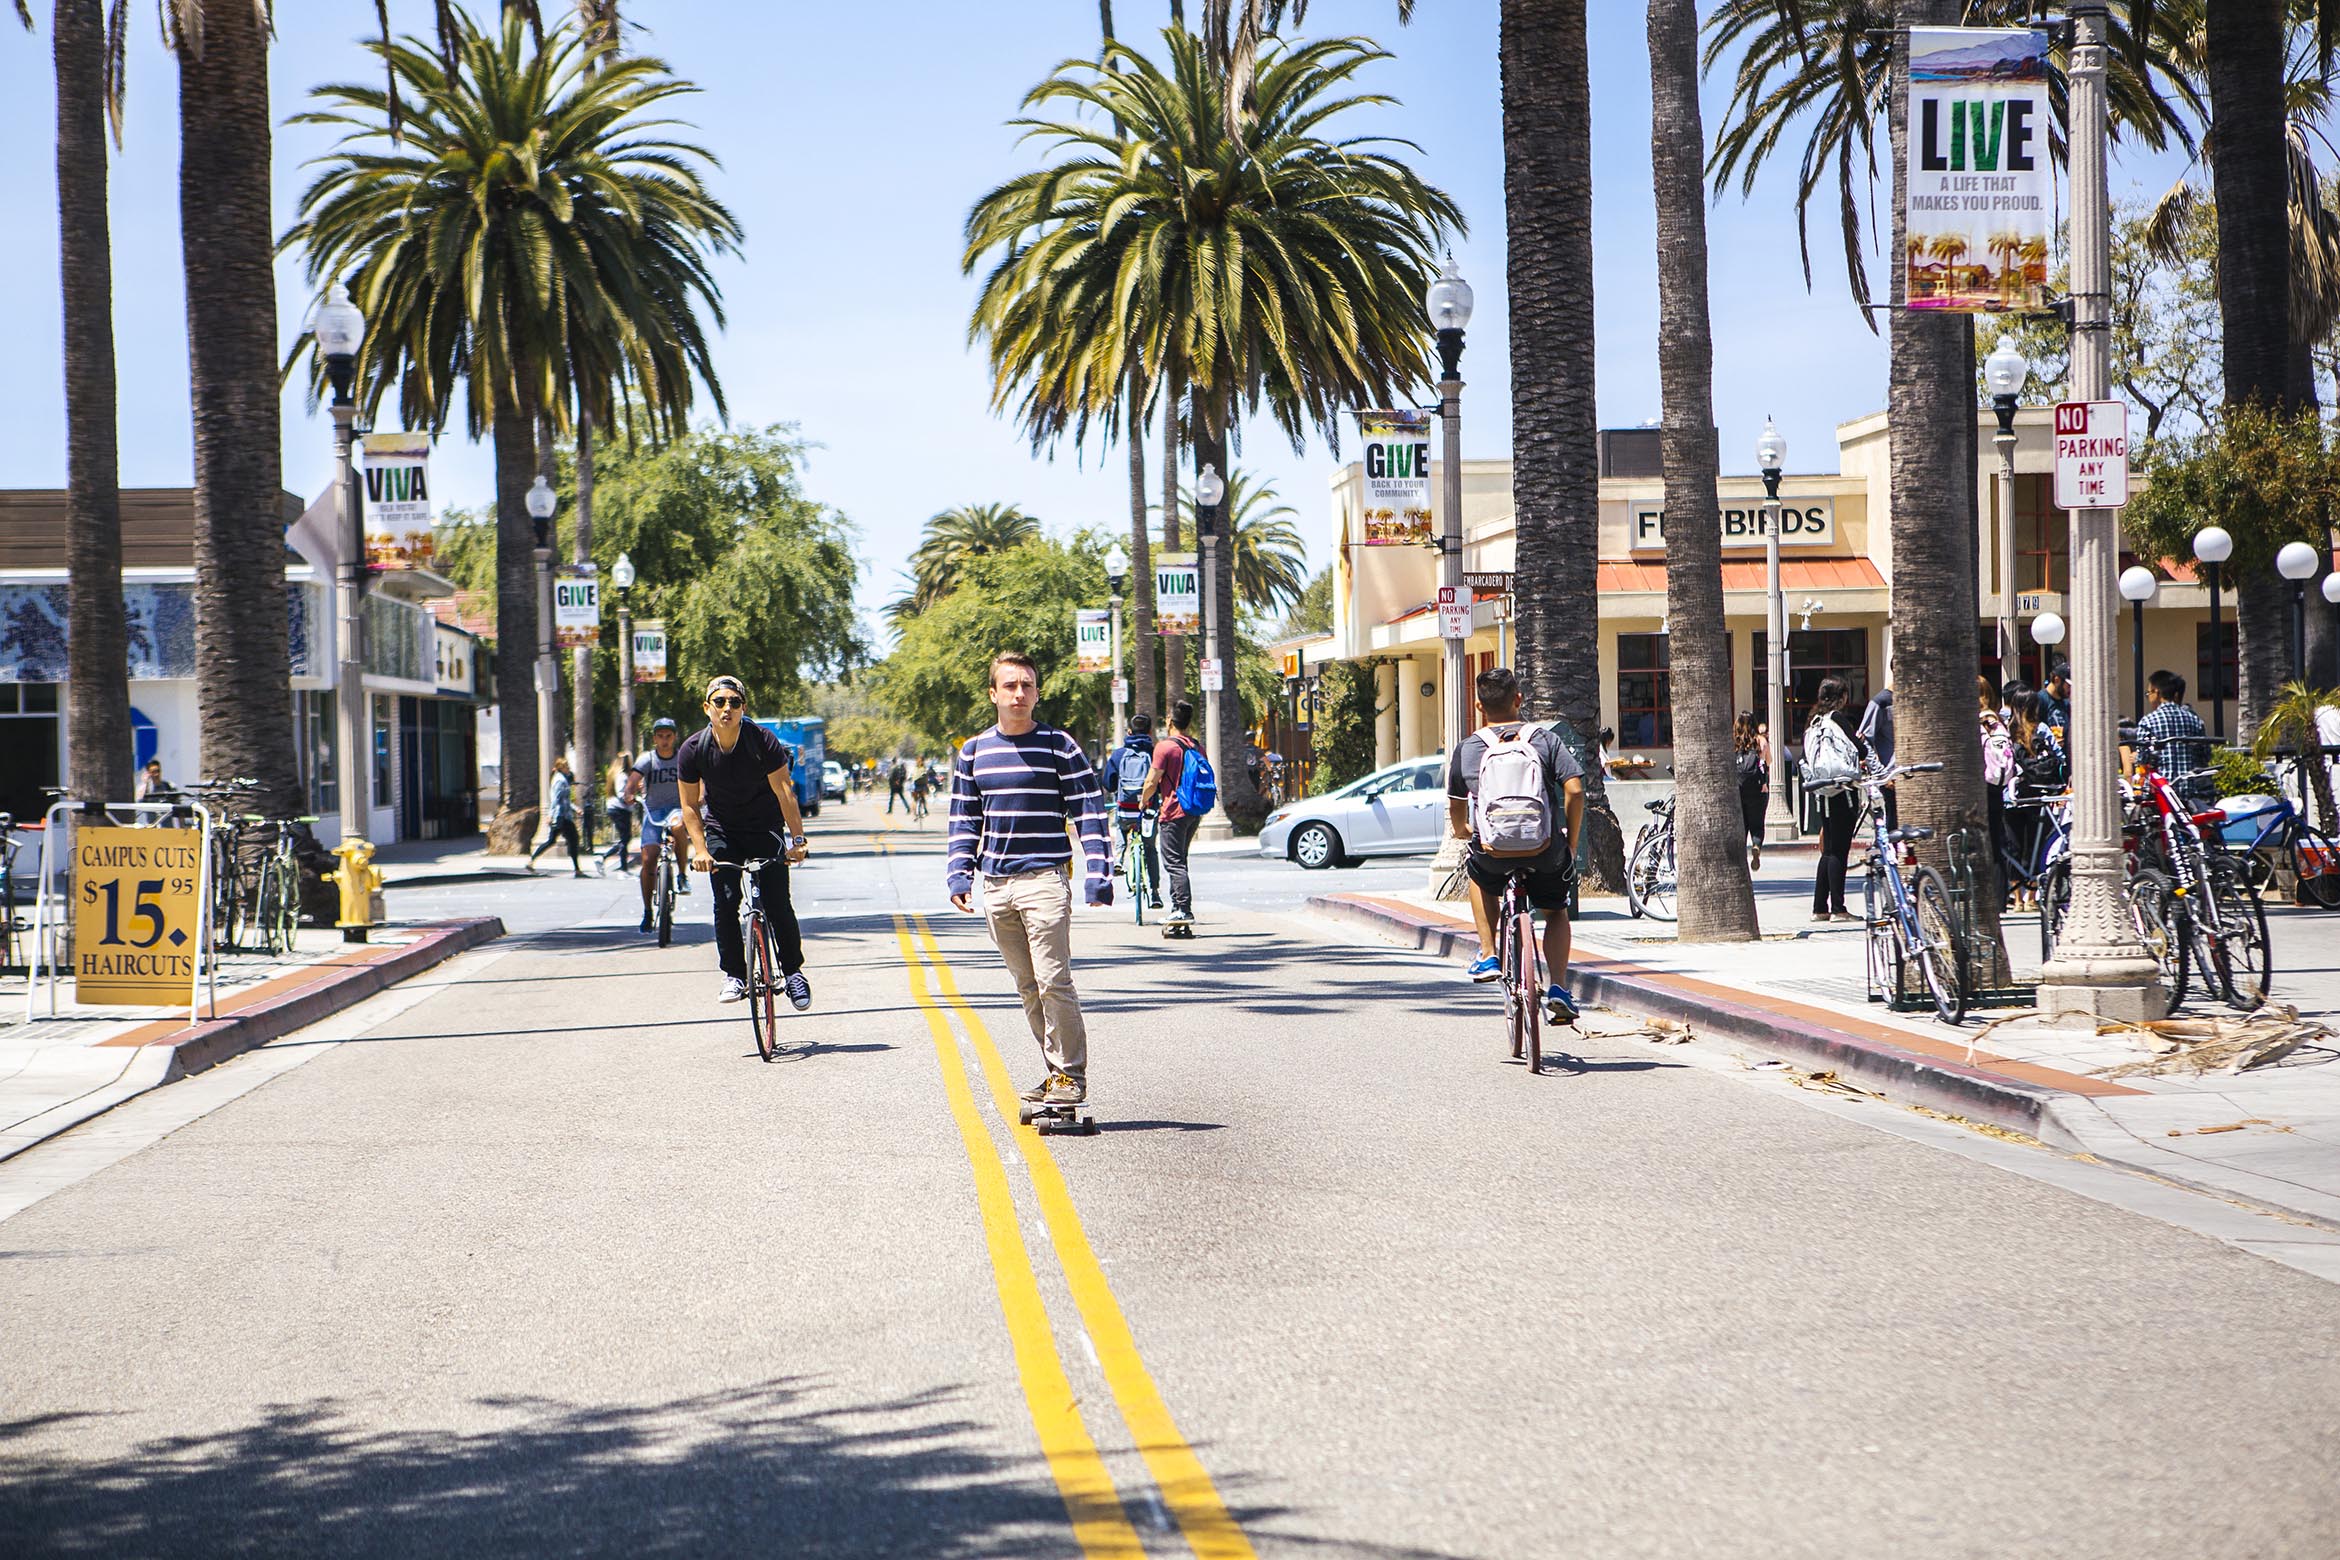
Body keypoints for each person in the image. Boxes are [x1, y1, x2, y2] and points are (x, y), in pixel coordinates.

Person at [946, 651, 1112, 1108]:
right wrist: (959, 873)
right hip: (996, 885)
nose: (1019, 693)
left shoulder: (1059, 745)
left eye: (1027, 686)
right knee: (1027, 986)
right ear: (993, 694)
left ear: (1037, 693)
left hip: (1044, 880)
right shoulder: (975, 751)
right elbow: (964, 819)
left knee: (1053, 980)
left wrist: (1099, 874)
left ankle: (1069, 1075)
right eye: (1010, 685)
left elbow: (1089, 812)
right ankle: (1055, 1071)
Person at [1446, 666, 1585, 1025]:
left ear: (1479, 706)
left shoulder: (1468, 748)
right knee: (1555, 910)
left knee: (1476, 874)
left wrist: (1464, 830)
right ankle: (1558, 988)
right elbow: (1575, 790)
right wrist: (1569, 841)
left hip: (1493, 853)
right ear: (1519, 700)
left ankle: (1490, 954)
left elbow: (1458, 808)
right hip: (1545, 850)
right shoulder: (1544, 739)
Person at [676, 676, 812, 1006]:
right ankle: (735, 975)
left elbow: (785, 792)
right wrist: (701, 850)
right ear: (707, 708)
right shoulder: (693, 749)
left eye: (734, 703)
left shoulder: (762, 740)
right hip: (723, 830)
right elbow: (690, 807)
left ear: (743, 708)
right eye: (719, 702)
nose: (727, 708)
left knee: (778, 901)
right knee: (724, 902)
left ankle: (794, 973)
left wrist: (797, 840)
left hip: (764, 827)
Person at [1137, 699, 1207, 929]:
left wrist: (1143, 799)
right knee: (1180, 860)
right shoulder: (1196, 746)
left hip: (1172, 811)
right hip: (1193, 810)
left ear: (1170, 721)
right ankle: (1178, 907)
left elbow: (1152, 779)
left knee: (1174, 863)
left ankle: (1182, 909)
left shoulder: (1165, 747)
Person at [1804, 677, 1863, 923]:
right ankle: (1838, 907)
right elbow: (1860, 748)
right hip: (1842, 790)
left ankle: (1820, 907)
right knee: (1839, 850)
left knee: (1828, 851)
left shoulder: (1814, 720)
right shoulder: (1837, 719)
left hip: (1823, 791)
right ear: (1842, 697)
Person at [629, 718, 690, 932]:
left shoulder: (681, 759)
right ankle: (647, 911)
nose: (664, 740)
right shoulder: (648, 759)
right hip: (653, 812)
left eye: (669, 736)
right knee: (648, 858)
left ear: (674, 737)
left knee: (679, 827)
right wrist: (629, 793)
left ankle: (682, 875)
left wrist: (700, 795)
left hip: (676, 809)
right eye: (660, 736)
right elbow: (633, 779)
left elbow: (695, 779)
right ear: (654, 738)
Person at [2131, 668, 2215, 807]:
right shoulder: (2195, 720)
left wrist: (2137, 757)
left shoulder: (2148, 721)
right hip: (2192, 791)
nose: (2149, 698)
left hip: (2162, 791)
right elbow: (2205, 756)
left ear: (2156, 692)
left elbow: (2143, 759)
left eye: (2148, 693)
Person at [1108, 712, 1164, 909]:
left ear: (1129, 731)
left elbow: (1108, 782)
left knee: (1122, 827)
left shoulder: (1118, 754)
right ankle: (1155, 893)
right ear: (1150, 731)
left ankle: (1118, 859)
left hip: (1125, 808)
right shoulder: (1155, 753)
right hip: (1147, 810)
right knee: (1150, 849)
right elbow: (1161, 783)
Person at [528, 756, 587, 877]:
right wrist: (550, 815)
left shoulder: (560, 779)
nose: (569, 769)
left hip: (562, 815)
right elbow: (556, 799)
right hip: (561, 816)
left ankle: (531, 861)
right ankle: (577, 869)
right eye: (567, 767)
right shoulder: (560, 780)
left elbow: (564, 800)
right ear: (562, 768)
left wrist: (576, 809)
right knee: (573, 839)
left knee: (552, 841)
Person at [1857, 685, 1897, 831]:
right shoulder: (1881, 702)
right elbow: (1863, 739)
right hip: (1892, 776)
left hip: (1912, 772)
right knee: (1893, 825)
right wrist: (1882, 774)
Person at [1733, 711, 1768, 872]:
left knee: (1742, 824)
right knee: (1757, 824)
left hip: (1738, 789)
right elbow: (1769, 762)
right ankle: (1756, 845)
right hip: (1758, 789)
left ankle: (1740, 856)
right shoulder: (1760, 741)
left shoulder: (1733, 742)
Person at [602, 751, 635, 871]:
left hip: (617, 808)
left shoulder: (615, 774)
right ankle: (621, 867)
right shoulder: (622, 776)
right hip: (620, 809)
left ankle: (609, 858)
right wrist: (631, 799)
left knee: (625, 838)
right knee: (625, 838)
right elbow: (621, 793)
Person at [2042, 659, 2073, 732]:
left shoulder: (2066, 703)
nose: (2070, 690)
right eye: (2068, 686)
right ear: (2057, 680)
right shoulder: (2040, 700)